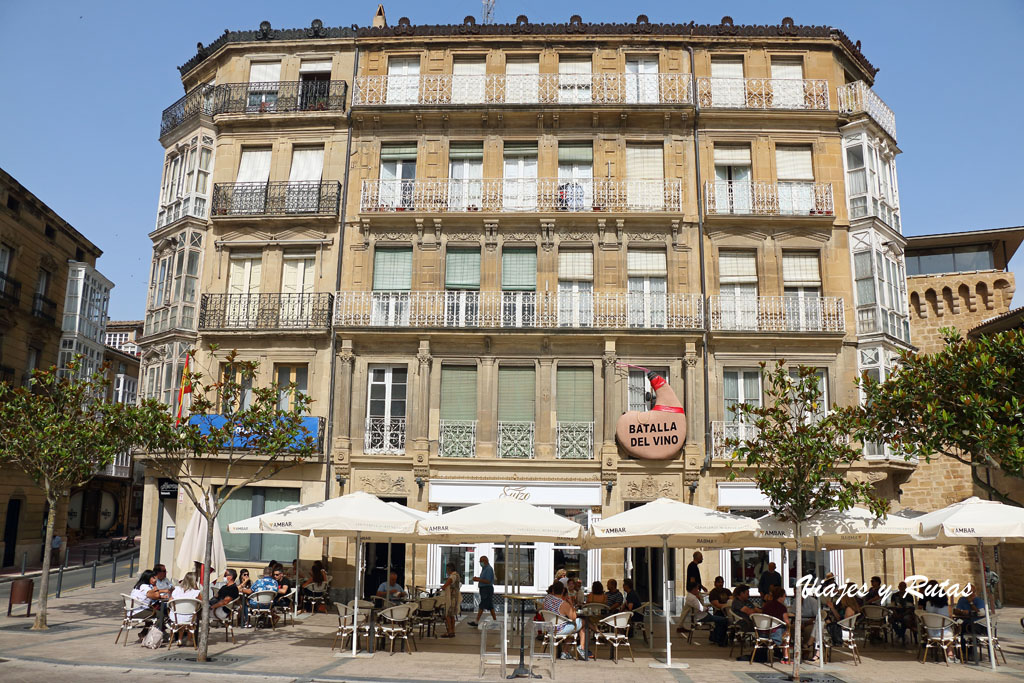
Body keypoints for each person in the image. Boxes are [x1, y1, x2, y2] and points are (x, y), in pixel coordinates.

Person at [920, 580, 956, 661]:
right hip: (945, 632)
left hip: (931, 632)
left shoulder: (928, 604)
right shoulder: (945, 607)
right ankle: (950, 655)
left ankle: (945, 653)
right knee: (951, 630)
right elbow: (949, 617)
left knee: (944, 628)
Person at [131, 570, 170, 635]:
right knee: (161, 615)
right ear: (147, 578)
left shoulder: (139, 586)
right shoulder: (145, 587)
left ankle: (143, 634)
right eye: (153, 578)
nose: (155, 580)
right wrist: (155, 586)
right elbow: (156, 596)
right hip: (139, 611)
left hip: (132, 610)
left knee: (153, 614)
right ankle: (154, 635)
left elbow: (151, 595)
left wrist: (161, 596)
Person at [761, 585, 791, 660]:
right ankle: (786, 656)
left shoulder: (766, 605)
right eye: (784, 596)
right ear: (780, 597)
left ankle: (778, 652)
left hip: (763, 631)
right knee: (787, 631)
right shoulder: (782, 607)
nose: (785, 598)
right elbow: (787, 621)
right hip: (775, 632)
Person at [469, 556, 497, 627]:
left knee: (482, 605)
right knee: (489, 605)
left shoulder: (488, 569)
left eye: (481, 561)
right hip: (483, 589)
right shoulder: (484, 569)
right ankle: (495, 620)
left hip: (487, 589)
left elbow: (487, 581)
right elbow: (483, 579)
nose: (480, 563)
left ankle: (476, 621)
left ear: (485, 561)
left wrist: (478, 580)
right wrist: (477, 578)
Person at [888, 581, 916, 645]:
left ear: (906, 587)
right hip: (896, 612)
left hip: (906, 613)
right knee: (891, 619)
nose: (902, 588)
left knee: (905, 619)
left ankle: (900, 635)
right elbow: (892, 605)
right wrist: (895, 613)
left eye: (903, 586)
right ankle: (901, 634)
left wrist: (903, 614)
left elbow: (910, 608)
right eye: (900, 586)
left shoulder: (909, 596)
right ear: (898, 587)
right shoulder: (894, 595)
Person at [439, 562, 461, 638]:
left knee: (448, 615)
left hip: (451, 598)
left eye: (447, 570)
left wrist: (443, 587)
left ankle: (450, 631)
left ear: (449, 569)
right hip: (455, 597)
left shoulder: (453, 576)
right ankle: (453, 631)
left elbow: (446, 585)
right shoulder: (457, 575)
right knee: (452, 615)